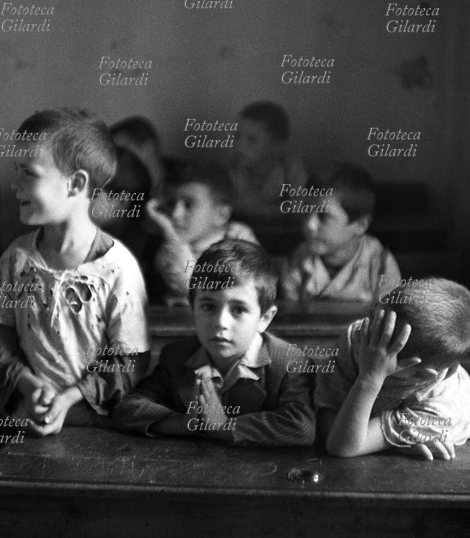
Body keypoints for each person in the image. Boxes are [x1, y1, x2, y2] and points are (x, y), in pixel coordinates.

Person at [0, 108, 150, 436]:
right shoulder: (16, 259)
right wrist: (32, 389)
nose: (15, 184)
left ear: (76, 183)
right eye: (17, 170)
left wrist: (69, 398)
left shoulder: (118, 268)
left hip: (99, 429)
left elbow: (128, 359)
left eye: (29, 173)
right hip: (29, 421)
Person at [112, 239, 316, 447]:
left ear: (264, 318)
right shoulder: (177, 357)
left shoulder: (289, 362)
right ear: (193, 308)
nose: (221, 323)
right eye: (208, 306)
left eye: (238, 309)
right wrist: (182, 423)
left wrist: (224, 427)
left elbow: (302, 427)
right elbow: (128, 407)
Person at [316, 278, 470, 460]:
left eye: (384, 343)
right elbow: (325, 420)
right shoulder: (360, 336)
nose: (365, 340)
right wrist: (392, 441)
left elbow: (341, 446)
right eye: (374, 316)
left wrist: (369, 378)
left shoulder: (440, 408)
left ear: (419, 373)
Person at [280, 162, 400, 304]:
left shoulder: (381, 266)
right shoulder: (295, 263)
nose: (309, 225)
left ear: (360, 225)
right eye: (306, 211)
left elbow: (387, 317)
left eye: (324, 216)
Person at [147, 160, 258, 306]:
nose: (175, 214)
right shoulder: (169, 250)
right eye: (171, 204)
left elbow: (253, 286)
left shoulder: (238, 237)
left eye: (188, 204)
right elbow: (192, 287)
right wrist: (166, 228)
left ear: (221, 215)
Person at [230, 101, 307, 217]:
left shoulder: (289, 168)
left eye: (251, 140)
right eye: (237, 137)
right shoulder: (233, 168)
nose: (240, 145)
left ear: (276, 145)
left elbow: (301, 207)